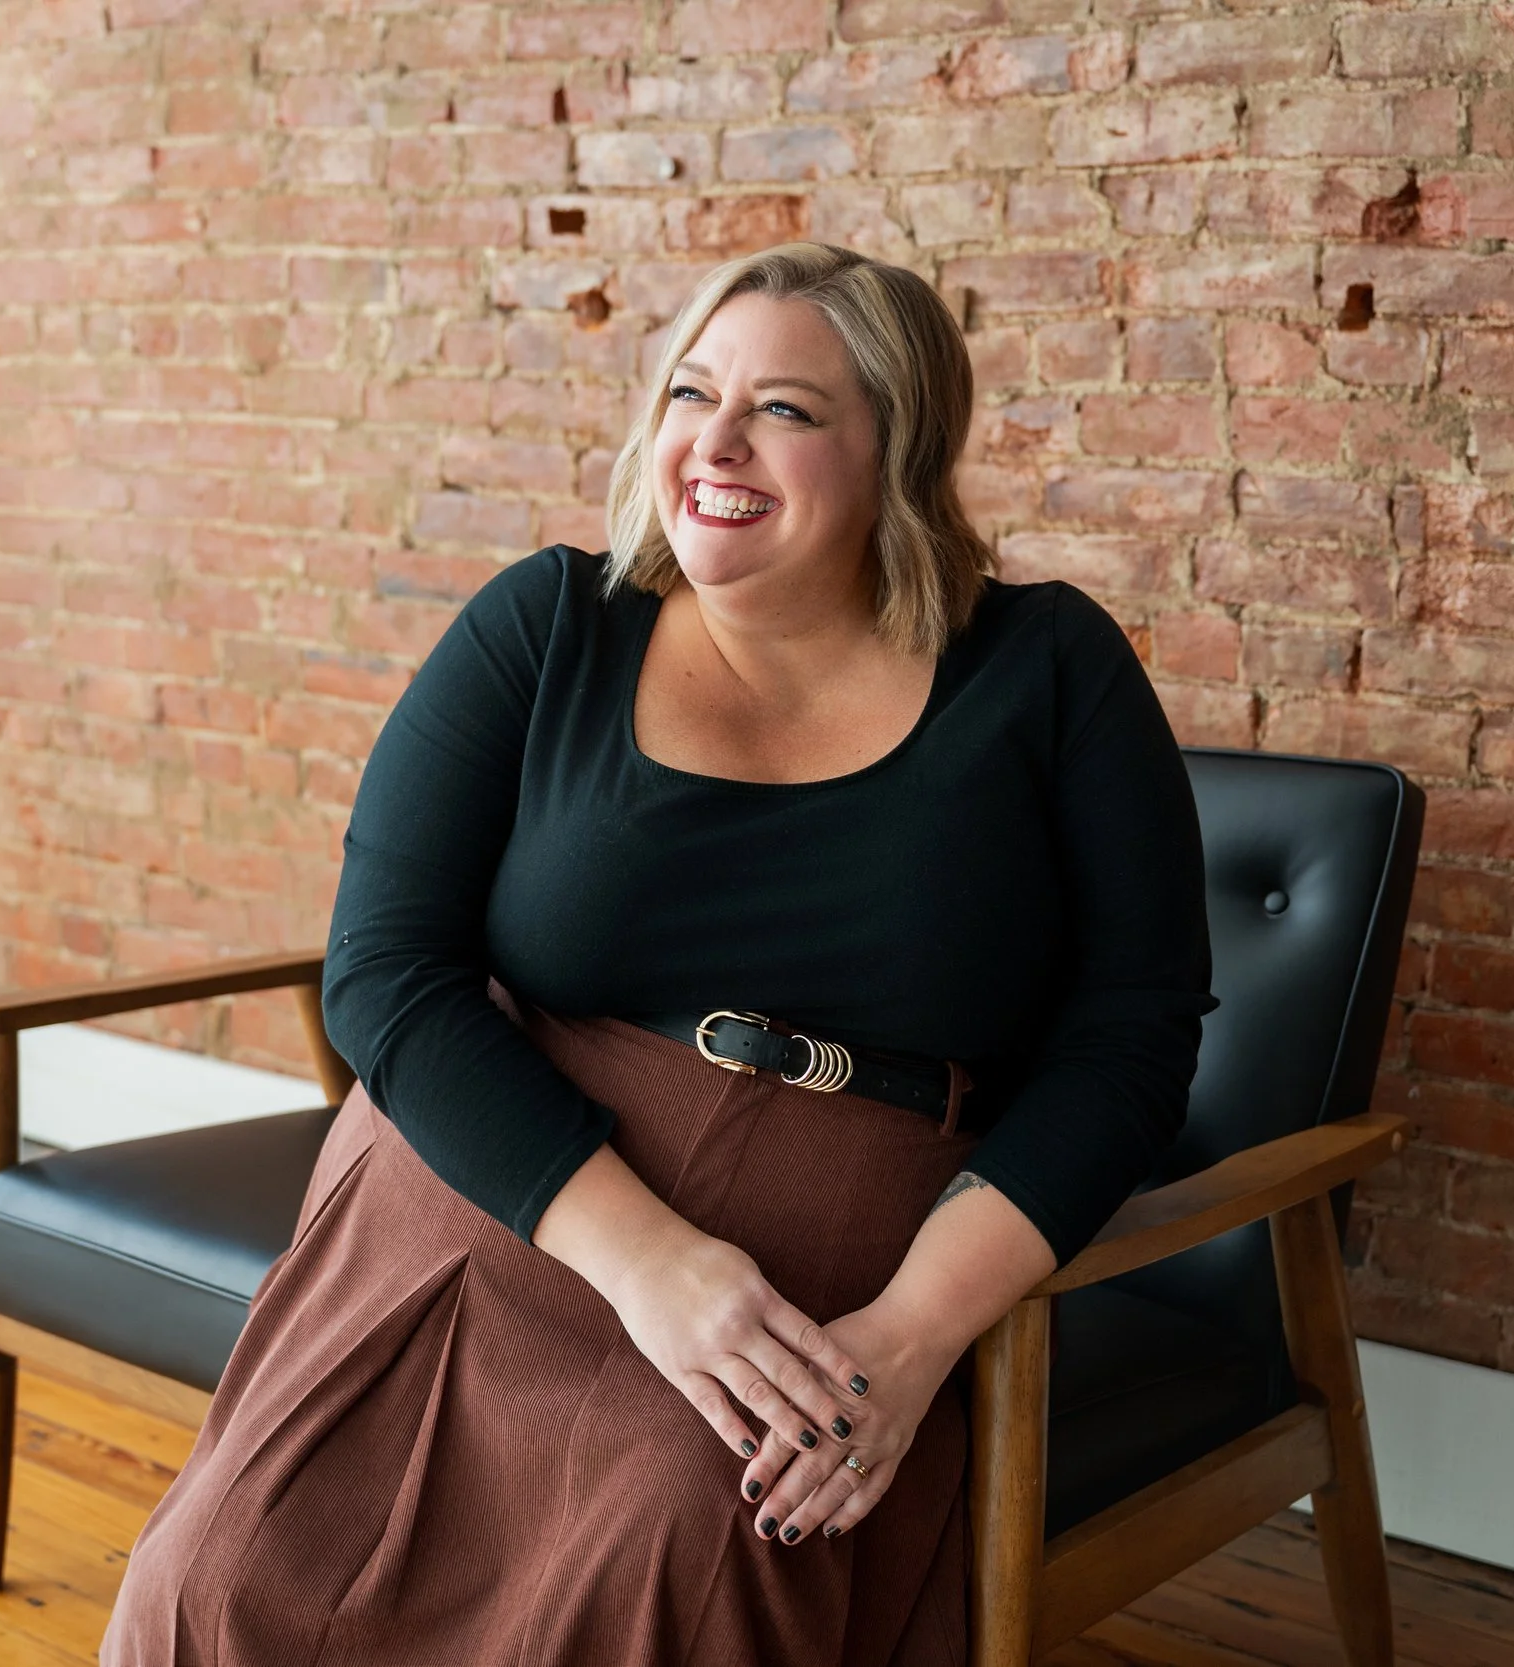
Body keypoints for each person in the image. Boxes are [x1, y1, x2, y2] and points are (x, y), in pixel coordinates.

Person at [100, 241, 1215, 1667]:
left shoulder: (1049, 671)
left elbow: (1131, 1041)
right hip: (493, 1214)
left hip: (832, 1285)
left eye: (790, 410)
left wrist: (917, 1334)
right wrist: (653, 1267)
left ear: (900, 448)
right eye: (694, 390)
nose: (717, 440)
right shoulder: (549, 624)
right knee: (224, 1584)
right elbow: (386, 971)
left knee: (670, 1574)